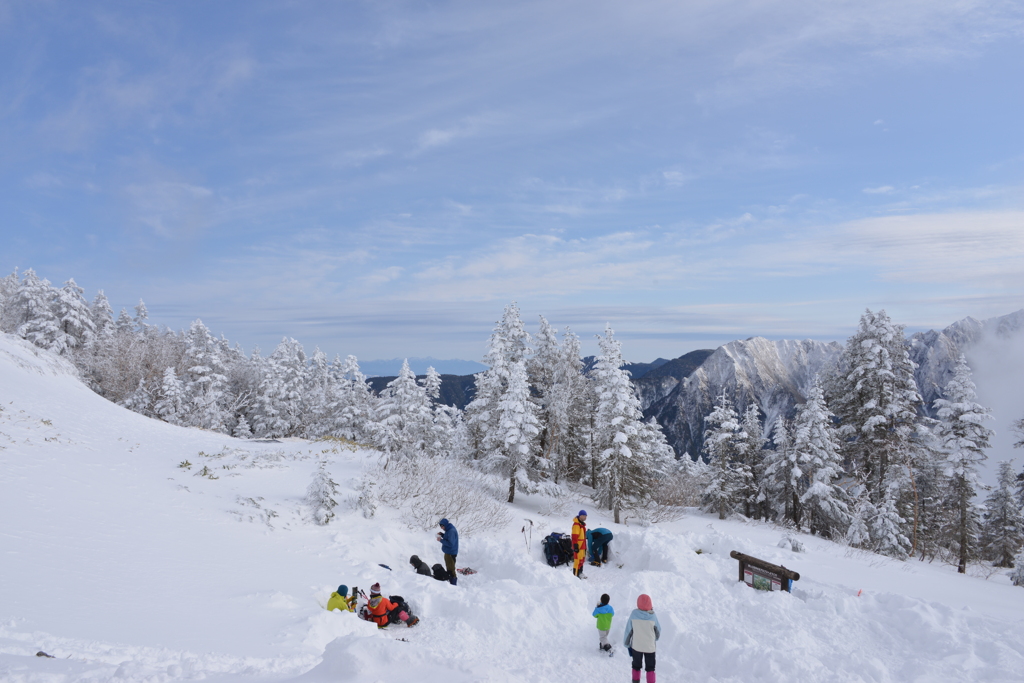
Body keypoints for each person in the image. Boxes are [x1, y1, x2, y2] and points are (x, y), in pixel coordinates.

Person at [623, 594, 660, 683]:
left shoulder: (634, 614)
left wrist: (626, 643)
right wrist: (655, 639)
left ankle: (635, 681)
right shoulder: (653, 616)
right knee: (650, 668)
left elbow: (628, 630)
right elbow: (658, 631)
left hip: (637, 646)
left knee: (636, 666)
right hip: (650, 647)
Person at [437, 518, 459, 585]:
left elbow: (450, 543)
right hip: (448, 552)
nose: (442, 527)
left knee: (451, 570)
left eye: (442, 526)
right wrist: (442, 535)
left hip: (450, 553)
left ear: (445, 524)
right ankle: (451, 582)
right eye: (441, 526)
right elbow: (448, 537)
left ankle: (453, 584)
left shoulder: (451, 531)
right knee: (449, 568)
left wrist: (441, 540)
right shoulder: (448, 529)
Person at [571, 510, 588, 578]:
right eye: (584, 516)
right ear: (580, 516)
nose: (585, 517)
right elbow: (574, 536)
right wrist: (575, 546)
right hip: (578, 546)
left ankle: (580, 573)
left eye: (586, 516)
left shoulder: (581, 525)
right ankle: (576, 575)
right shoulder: (576, 525)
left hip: (583, 546)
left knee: (582, 560)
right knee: (577, 561)